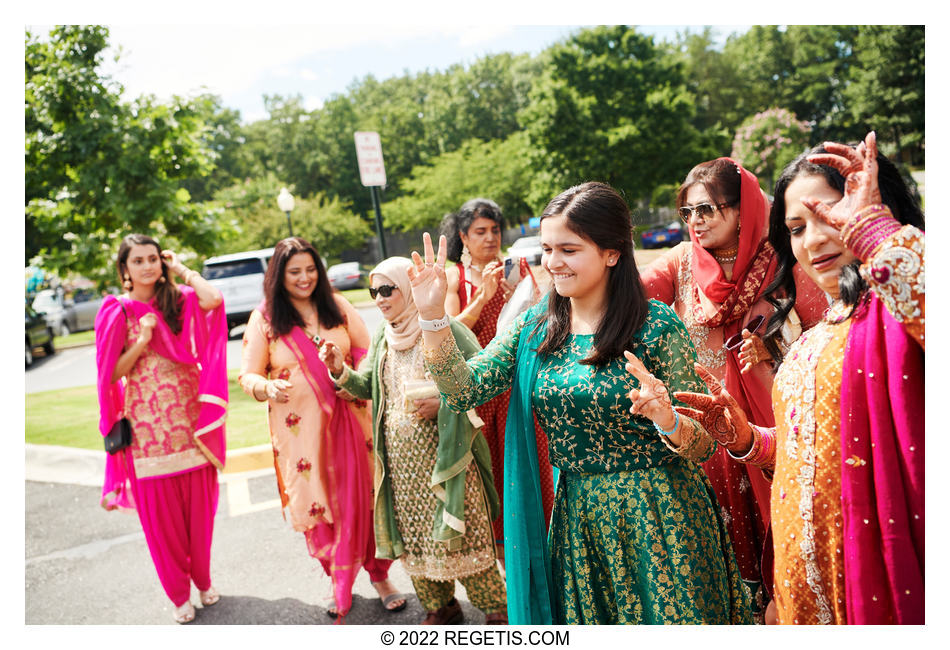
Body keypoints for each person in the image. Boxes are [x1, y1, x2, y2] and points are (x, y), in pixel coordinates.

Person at [410, 182, 752, 624]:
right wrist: (433, 316)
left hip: (661, 514)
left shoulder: (656, 326)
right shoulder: (536, 328)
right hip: (581, 523)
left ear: (612, 253)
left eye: (569, 250)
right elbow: (462, 390)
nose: (553, 263)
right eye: (547, 249)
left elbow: (704, 445)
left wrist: (668, 420)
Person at [675, 132, 924, 624]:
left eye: (832, 213)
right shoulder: (814, 341)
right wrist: (746, 437)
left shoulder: (898, 317)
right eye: (794, 227)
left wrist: (875, 232)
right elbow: (804, 452)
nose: (813, 238)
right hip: (807, 599)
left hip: (882, 581)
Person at [639, 159, 827, 619]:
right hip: (701, 429)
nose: (695, 222)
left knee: (780, 535)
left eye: (706, 209)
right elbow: (627, 294)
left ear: (743, 209)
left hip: (771, 427)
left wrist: (776, 352)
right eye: (686, 212)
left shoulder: (785, 261)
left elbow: (827, 339)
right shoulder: (681, 262)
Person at [319, 257, 508, 624]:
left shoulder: (445, 329)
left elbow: (485, 381)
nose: (379, 298)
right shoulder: (384, 336)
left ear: (408, 288)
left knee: (463, 536)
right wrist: (338, 369)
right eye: (374, 291)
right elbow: (367, 386)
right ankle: (441, 607)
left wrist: (445, 401)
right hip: (402, 470)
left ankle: (497, 610)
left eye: (387, 289)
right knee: (418, 541)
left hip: (451, 461)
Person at [238, 237, 405, 623]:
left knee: (362, 496)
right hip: (302, 435)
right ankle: (338, 581)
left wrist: (352, 375)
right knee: (321, 502)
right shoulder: (265, 319)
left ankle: (379, 577)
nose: (304, 278)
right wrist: (267, 387)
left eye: (310, 270)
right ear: (279, 276)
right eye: (295, 271)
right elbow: (248, 374)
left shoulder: (337, 306)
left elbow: (368, 351)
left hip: (351, 418)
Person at [95, 234, 228, 624]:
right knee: (162, 527)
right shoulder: (117, 311)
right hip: (148, 436)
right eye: (138, 261)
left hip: (190, 426)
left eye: (153, 259)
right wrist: (143, 340)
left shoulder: (179, 299)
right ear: (125, 269)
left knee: (199, 519)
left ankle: (203, 581)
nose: (148, 266)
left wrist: (181, 267)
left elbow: (214, 300)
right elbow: (111, 373)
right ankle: (178, 594)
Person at [440, 200, 554, 562]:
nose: (490, 238)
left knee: (528, 463)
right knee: (490, 472)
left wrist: (517, 300)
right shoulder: (454, 277)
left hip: (514, 386)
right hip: (475, 387)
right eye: (480, 232)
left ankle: (540, 544)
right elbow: (445, 333)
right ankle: (503, 557)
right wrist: (484, 298)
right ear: (463, 237)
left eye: (495, 230)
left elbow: (540, 314)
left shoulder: (514, 266)